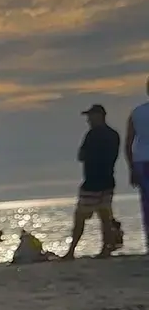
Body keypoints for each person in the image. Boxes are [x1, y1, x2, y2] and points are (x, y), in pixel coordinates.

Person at [62, 105, 120, 260]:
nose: (88, 120)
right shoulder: (114, 135)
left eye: (90, 116)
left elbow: (81, 155)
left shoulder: (92, 135)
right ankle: (106, 249)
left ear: (99, 116)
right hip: (108, 180)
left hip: (92, 182)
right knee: (105, 216)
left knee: (80, 217)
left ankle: (71, 251)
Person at [125, 77, 149, 253]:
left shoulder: (136, 112)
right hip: (142, 161)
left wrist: (131, 167)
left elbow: (128, 143)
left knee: (146, 204)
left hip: (141, 161)